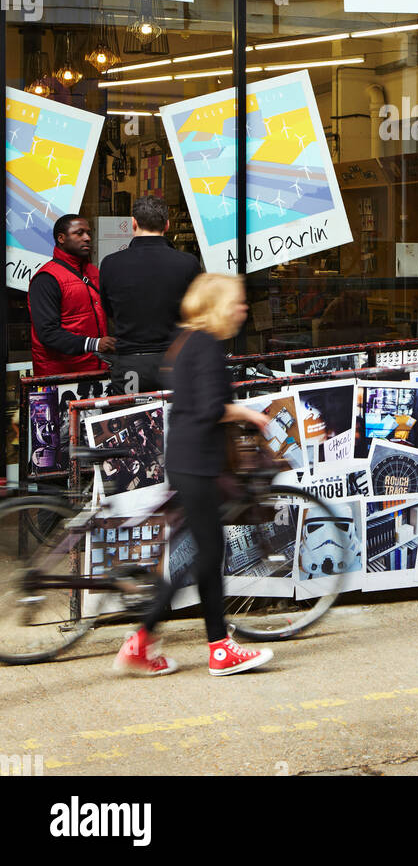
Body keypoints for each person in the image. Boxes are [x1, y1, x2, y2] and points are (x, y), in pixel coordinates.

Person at [114, 274, 274, 677]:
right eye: (237, 301)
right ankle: (219, 648)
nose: (244, 309)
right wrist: (248, 413)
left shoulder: (184, 340)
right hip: (199, 463)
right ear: (218, 304)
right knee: (207, 554)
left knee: (195, 555)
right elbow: (209, 408)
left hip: (185, 460)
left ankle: (142, 642)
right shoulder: (205, 345)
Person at [99, 195, 200, 395]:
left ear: (133, 223)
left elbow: (109, 309)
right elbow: (197, 313)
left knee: (130, 422)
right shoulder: (188, 263)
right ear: (167, 225)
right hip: (176, 361)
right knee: (178, 422)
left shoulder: (110, 264)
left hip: (130, 364)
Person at [28, 216, 115, 377]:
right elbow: (48, 333)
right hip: (62, 377)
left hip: (97, 370)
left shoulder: (93, 272)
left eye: (88, 233)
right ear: (61, 238)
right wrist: (94, 344)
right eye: (79, 233)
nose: (87, 238)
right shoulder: (47, 278)